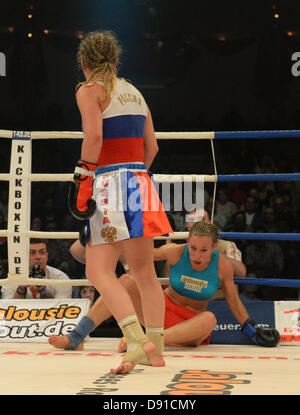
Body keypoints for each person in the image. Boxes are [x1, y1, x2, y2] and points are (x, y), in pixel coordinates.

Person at [67, 31, 173, 374]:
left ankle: (137, 338)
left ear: (84, 63)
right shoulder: (135, 93)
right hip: (140, 181)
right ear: (116, 61)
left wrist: (84, 179)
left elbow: (94, 136)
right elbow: (152, 147)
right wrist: (134, 179)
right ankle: (155, 348)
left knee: (97, 270)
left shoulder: (89, 90)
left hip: (110, 183)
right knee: (144, 272)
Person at [49, 222, 279, 353]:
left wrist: (252, 330)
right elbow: (137, 256)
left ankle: (146, 341)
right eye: (193, 248)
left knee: (209, 319)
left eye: (203, 250)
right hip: (159, 312)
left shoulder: (224, 267)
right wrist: (96, 240)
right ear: (188, 243)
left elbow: (234, 301)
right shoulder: (176, 252)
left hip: (190, 325)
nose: (197, 255)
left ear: (214, 248)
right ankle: (77, 336)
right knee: (127, 281)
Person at [1, 239, 72, 299]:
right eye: (32, 253)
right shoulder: (13, 279)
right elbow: (8, 311)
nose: (38, 257)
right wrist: (21, 290)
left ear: (46, 256)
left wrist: (44, 291)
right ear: (24, 256)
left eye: (42, 252)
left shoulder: (61, 278)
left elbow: (61, 311)